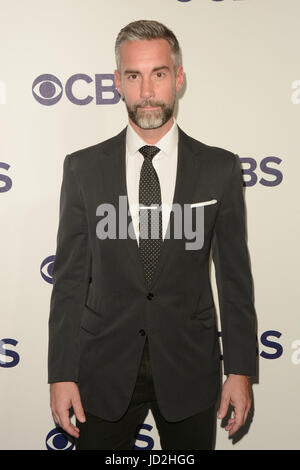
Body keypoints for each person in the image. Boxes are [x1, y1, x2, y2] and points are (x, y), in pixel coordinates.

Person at [48, 19, 257, 450]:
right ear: (117, 83)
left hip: (190, 368)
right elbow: (69, 280)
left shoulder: (220, 168)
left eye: (158, 74)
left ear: (178, 79)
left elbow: (235, 279)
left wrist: (239, 370)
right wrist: (61, 373)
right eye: (134, 76)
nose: (146, 91)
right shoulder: (83, 168)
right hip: (102, 370)